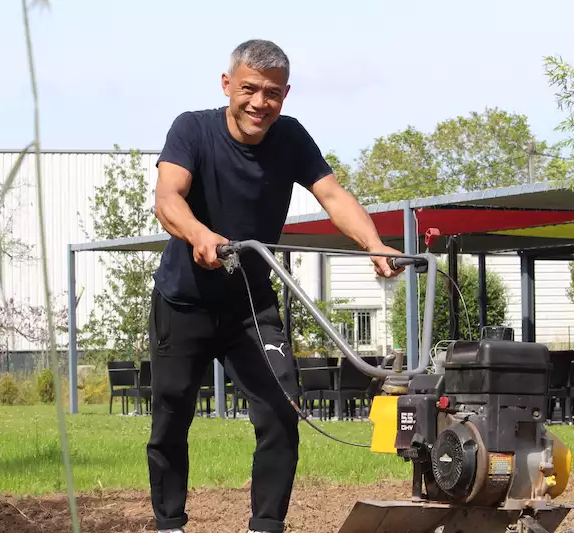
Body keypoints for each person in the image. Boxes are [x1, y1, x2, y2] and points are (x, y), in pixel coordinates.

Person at [147, 39, 404, 533]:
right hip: (185, 302)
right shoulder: (192, 129)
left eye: (273, 93)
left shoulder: (290, 138)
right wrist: (201, 235)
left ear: (285, 95)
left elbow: (332, 193)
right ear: (228, 85)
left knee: (283, 415)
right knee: (171, 421)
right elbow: (167, 198)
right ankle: (170, 524)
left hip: (250, 305)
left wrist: (373, 242)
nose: (259, 103)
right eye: (249, 89)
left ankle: (266, 526)